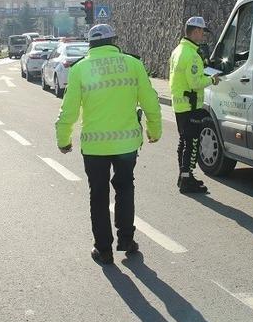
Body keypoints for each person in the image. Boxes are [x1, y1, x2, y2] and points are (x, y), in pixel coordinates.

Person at [56, 24, 162, 265]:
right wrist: (154, 130)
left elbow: (68, 110)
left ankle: (103, 249)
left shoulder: (80, 69)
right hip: (126, 146)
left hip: (95, 148)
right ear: (114, 41)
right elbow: (151, 102)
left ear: (90, 44)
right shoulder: (133, 64)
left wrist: (63, 140)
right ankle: (126, 239)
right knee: (125, 189)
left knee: (99, 196)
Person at [168, 16, 220, 194]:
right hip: (190, 106)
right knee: (192, 143)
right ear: (196, 31)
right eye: (202, 32)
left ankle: (184, 176)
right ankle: (186, 180)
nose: (203, 36)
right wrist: (212, 79)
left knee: (184, 141)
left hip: (180, 105)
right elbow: (195, 82)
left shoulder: (178, 50)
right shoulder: (192, 55)